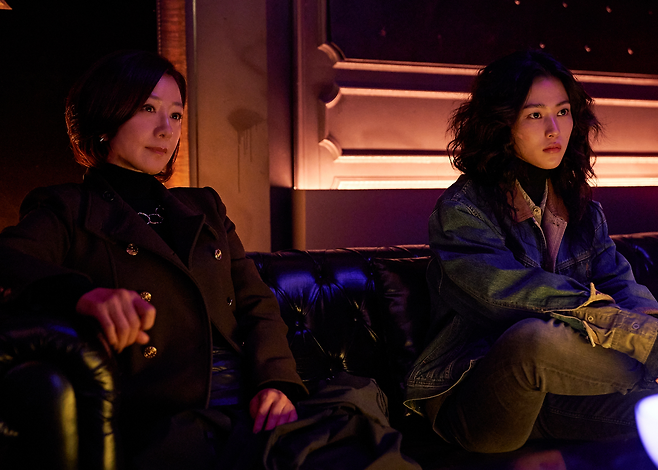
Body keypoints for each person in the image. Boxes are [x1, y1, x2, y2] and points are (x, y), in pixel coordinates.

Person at [0, 50, 306, 468]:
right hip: (172, 416)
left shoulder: (205, 206)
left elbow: (257, 303)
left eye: (176, 115)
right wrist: (82, 295)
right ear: (106, 117)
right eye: (148, 109)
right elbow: (8, 259)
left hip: (255, 401)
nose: (167, 129)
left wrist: (276, 382)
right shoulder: (68, 207)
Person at [404, 50, 658, 454]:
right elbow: (505, 295)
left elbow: (621, 285)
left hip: (561, 397)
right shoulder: (462, 210)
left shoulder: (584, 211)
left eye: (563, 112)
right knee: (535, 339)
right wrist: (633, 336)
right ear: (502, 125)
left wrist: (646, 326)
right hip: (478, 401)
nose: (554, 130)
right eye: (535, 115)